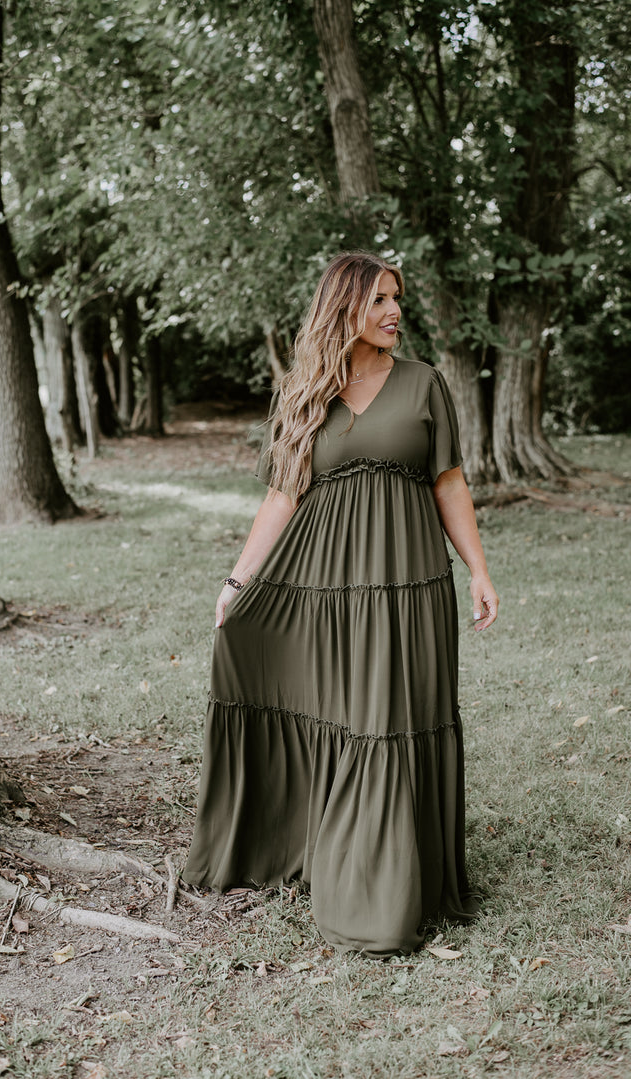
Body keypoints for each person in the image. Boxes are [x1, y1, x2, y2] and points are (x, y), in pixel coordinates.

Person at [182, 250, 498, 956]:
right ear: (344, 307)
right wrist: (236, 582)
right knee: (341, 717)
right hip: (321, 586)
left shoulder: (423, 383)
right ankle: (304, 847)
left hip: (408, 585)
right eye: (379, 298)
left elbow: (448, 483)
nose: (394, 311)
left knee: (391, 721)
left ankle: (383, 895)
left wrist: (478, 570)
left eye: (397, 298)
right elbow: (282, 497)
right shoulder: (303, 393)